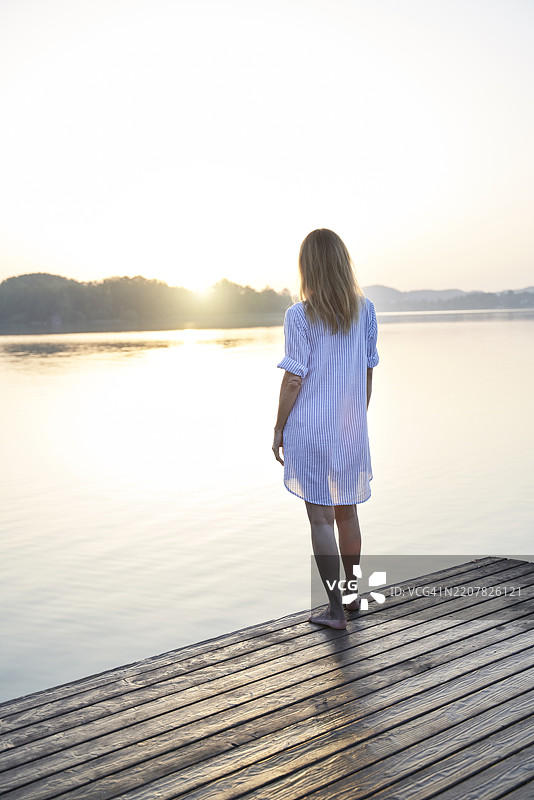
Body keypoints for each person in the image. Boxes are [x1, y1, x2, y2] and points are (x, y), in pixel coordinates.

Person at [272, 228, 379, 630]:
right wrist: (356, 421)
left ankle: (334, 611)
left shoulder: (298, 315)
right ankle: (350, 598)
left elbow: (294, 379)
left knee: (321, 521)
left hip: (310, 430)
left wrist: (279, 428)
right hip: (351, 429)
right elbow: (368, 371)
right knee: (347, 515)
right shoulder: (365, 309)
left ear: (308, 266)